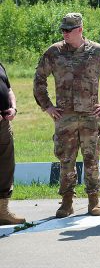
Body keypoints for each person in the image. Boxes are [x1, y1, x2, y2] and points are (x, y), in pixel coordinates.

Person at [33, 13, 100, 218]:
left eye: (68, 30)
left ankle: (94, 200)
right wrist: (47, 106)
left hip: (91, 115)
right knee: (66, 160)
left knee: (92, 158)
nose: (64, 33)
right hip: (64, 117)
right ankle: (67, 202)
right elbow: (39, 79)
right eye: (62, 30)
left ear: (80, 29)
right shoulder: (54, 53)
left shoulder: (98, 52)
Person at [0, 63, 25, 225]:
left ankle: (2, 212)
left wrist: (13, 108)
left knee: (6, 166)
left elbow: (8, 90)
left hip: (3, 123)